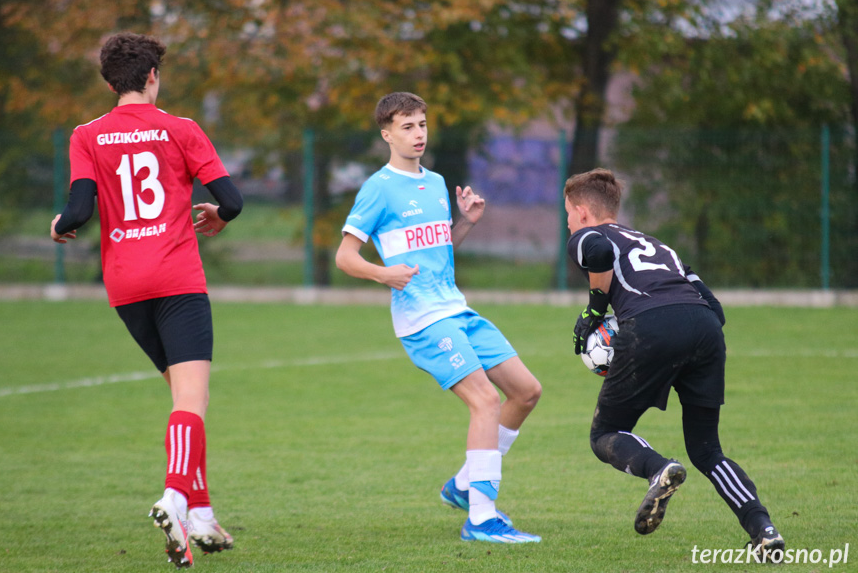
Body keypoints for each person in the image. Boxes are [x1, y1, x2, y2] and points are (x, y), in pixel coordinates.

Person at [49, 32, 243, 569]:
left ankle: (201, 514)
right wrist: (217, 218)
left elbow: (80, 211)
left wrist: (60, 225)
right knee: (190, 402)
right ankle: (176, 498)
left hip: (126, 288)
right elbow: (232, 199)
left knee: (188, 401)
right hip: (178, 280)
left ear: (110, 83)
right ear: (153, 76)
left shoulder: (86, 134)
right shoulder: (182, 129)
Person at [335, 92, 542, 544]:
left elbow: (436, 250)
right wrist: (382, 273)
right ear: (386, 134)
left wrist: (464, 223)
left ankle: (465, 485)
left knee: (526, 391)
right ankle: (482, 518)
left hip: (456, 307)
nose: (418, 134)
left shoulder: (436, 182)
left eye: (422, 124)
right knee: (485, 401)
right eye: (407, 126)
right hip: (423, 319)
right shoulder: (379, 187)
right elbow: (345, 257)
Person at [564, 168, 785, 560]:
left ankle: (659, 470)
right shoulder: (657, 245)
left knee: (606, 434)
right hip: (704, 328)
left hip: (652, 327)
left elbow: (596, 252)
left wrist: (594, 312)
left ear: (582, 212)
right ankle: (763, 530)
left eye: (567, 214)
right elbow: (714, 307)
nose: (568, 222)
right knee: (707, 449)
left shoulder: (587, 236)